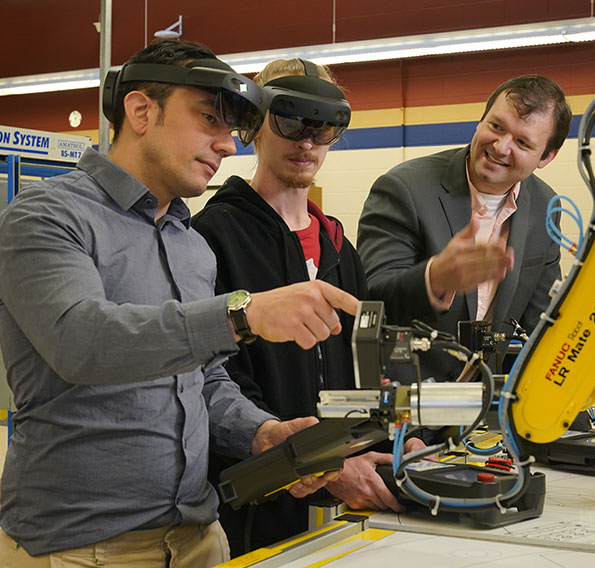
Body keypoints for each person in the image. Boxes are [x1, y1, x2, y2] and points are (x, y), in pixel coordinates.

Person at [0, 40, 356, 567]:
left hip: (198, 538)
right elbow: (81, 341)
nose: (226, 144)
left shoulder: (191, 245)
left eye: (229, 129)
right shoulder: (47, 216)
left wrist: (261, 432)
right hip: (82, 547)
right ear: (142, 110)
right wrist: (242, 314)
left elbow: (204, 379)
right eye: (210, 119)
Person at [193, 58, 422, 556]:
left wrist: (390, 444)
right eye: (291, 122)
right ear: (254, 125)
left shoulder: (341, 247)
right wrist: (315, 463)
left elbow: (363, 372)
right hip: (256, 503)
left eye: (323, 131)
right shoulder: (213, 236)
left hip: (346, 503)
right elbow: (217, 378)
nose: (307, 143)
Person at [357, 74, 573, 382]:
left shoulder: (544, 206)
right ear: (480, 120)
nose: (500, 147)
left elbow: (544, 322)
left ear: (547, 157)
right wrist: (434, 278)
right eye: (496, 127)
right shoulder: (404, 188)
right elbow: (373, 300)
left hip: (479, 403)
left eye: (522, 142)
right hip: (405, 401)